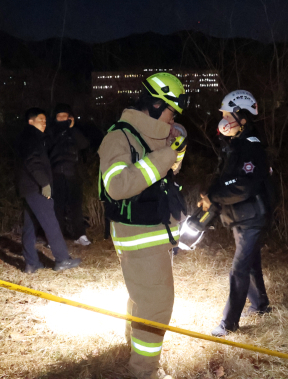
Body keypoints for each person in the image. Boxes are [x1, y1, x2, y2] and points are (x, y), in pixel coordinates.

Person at [98, 72, 189, 379]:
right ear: (153, 105)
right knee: (156, 306)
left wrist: (175, 148)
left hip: (154, 235)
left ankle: (134, 348)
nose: (172, 118)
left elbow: (163, 175)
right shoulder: (118, 137)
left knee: (143, 297)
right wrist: (164, 156)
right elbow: (117, 185)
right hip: (140, 237)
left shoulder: (152, 136)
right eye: (170, 111)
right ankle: (144, 372)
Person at [198, 90, 273, 337]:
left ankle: (228, 323)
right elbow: (225, 180)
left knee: (239, 269)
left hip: (252, 217)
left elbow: (244, 185)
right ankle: (261, 305)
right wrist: (211, 198)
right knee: (250, 263)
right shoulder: (236, 145)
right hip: (240, 216)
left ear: (241, 116)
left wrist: (215, 197)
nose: (223, 120)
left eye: (226, 114)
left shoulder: (251, 147)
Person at [16, 108, 81, 274]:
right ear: (31, 121)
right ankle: (62, 259)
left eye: (45, 120)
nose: (44, 123)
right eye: (40, 120)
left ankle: (31, 263)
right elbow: (33, 161)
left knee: (30, 227)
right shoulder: (31, 137)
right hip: (36, 187)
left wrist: (68, 126)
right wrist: (44, 183)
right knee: (51, 222)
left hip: (29, 188)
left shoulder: (32, 137)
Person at [49, 103, 91, 246]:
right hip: (56, 174)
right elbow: (47, 148)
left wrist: (72, 128)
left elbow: (84, 144)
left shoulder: (75, 131)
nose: (61, 119)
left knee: (75, 206)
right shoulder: (51, 131)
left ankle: (80, 235)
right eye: (59, 116)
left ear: (70, 117)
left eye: (64, 116)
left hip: (73, 173)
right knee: (57, 207)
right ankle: (56, 237)